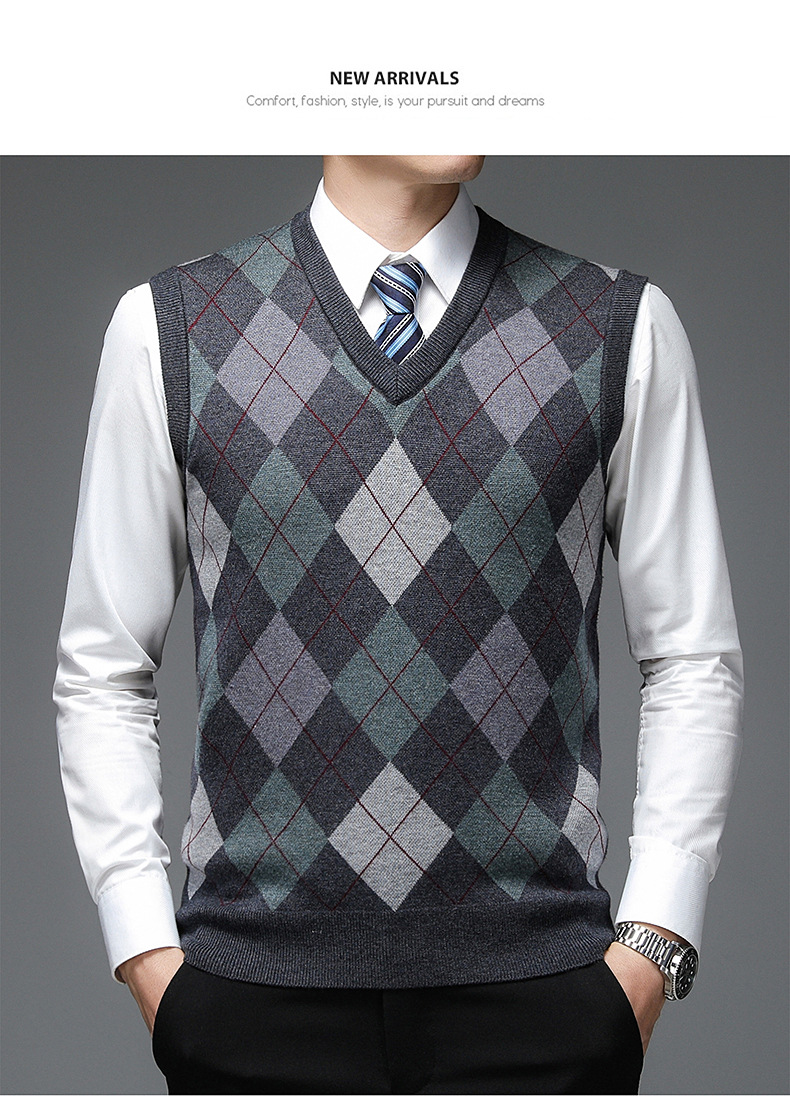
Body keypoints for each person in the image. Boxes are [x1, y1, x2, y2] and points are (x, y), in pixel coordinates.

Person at [54, 155, 743, 1094]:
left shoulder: (618, 326)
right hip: (249, 1002)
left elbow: (691, 656)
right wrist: (147, 956)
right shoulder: (169, 328)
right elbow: (104, 667)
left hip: (546, 1000)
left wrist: (657, 940)